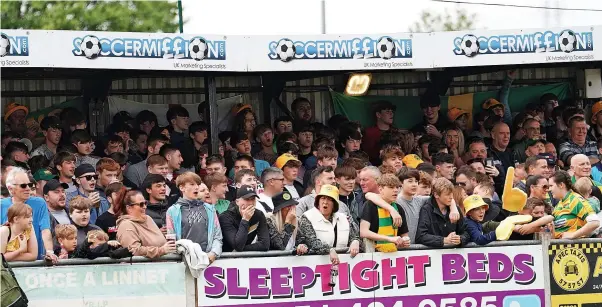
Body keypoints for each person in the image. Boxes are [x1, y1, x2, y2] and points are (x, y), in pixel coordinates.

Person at [1, 167, 56, 262]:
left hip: (35, 263)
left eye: (29, 185)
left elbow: (45, 230)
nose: (28, 189)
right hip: (5, 268)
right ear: (10, 188)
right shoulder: (2, 205)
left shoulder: (39, 202)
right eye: (23, 186)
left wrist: (50, 251)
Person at [166, 172, 222, 263]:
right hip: (183, 261)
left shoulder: (210, 209)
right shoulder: (172, 211)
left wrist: (213, 253)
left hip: (208, 260)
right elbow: (172, 240)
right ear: (181, 188)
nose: (196, 187)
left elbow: (217, 236)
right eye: (192, 184)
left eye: (198, 184)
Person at [296, 185, 360, 263]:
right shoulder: (307, 217)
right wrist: (329, 250)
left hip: (343, 264)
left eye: (329, 199)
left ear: (335, 204)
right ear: (318, 201)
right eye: (323, 198)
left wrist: (355, 241)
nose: (325, 202)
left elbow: (355, 236)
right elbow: (312, 242)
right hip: (315, 265)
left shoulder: (344, 218)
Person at [117, 190, 176, 258]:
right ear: (129, 208)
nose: (145, 207)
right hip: (143, 267)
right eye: (141, 204)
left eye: (145, 203)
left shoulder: (148, 219)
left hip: (162, 265)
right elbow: (134, 250)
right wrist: (161, 250)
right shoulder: (126, 225)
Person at [360, 174, 410, 252]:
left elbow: (404, 235)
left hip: (393, 254)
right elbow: (363, 232)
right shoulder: (370, 205)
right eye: (391, 187)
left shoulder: (399, 208)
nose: (396, 190)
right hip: (372, 254)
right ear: (380, 189)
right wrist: (389, 239)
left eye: (397, 187)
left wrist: (405, 241)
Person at [416, 178, 470, 248]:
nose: (451, 197)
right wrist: (444, 240)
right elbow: (421, 236)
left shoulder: (455, 208)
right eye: (447, 194)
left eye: (452, 194)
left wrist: (460, 239)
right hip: (434, 254)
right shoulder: (426, 209)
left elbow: (466, 233)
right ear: (436, 195)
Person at [549, 171, 600, 239]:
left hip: (576, 248)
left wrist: (573, 235)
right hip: (561, 248)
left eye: (551, 186)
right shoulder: (560, 203)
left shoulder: (575, 200)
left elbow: (595, 222)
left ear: (561, 185)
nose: (549, 189)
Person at [219, 185, 270, 252]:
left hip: (244, 256)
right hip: (225, 258)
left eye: (253, 199)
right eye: (247, 199)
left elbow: (265, 244)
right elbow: (237, 245)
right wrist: (245, 220)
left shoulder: (259, 215)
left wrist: (243, 249)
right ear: (237, 202)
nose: (251, 203)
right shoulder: (226, 217)